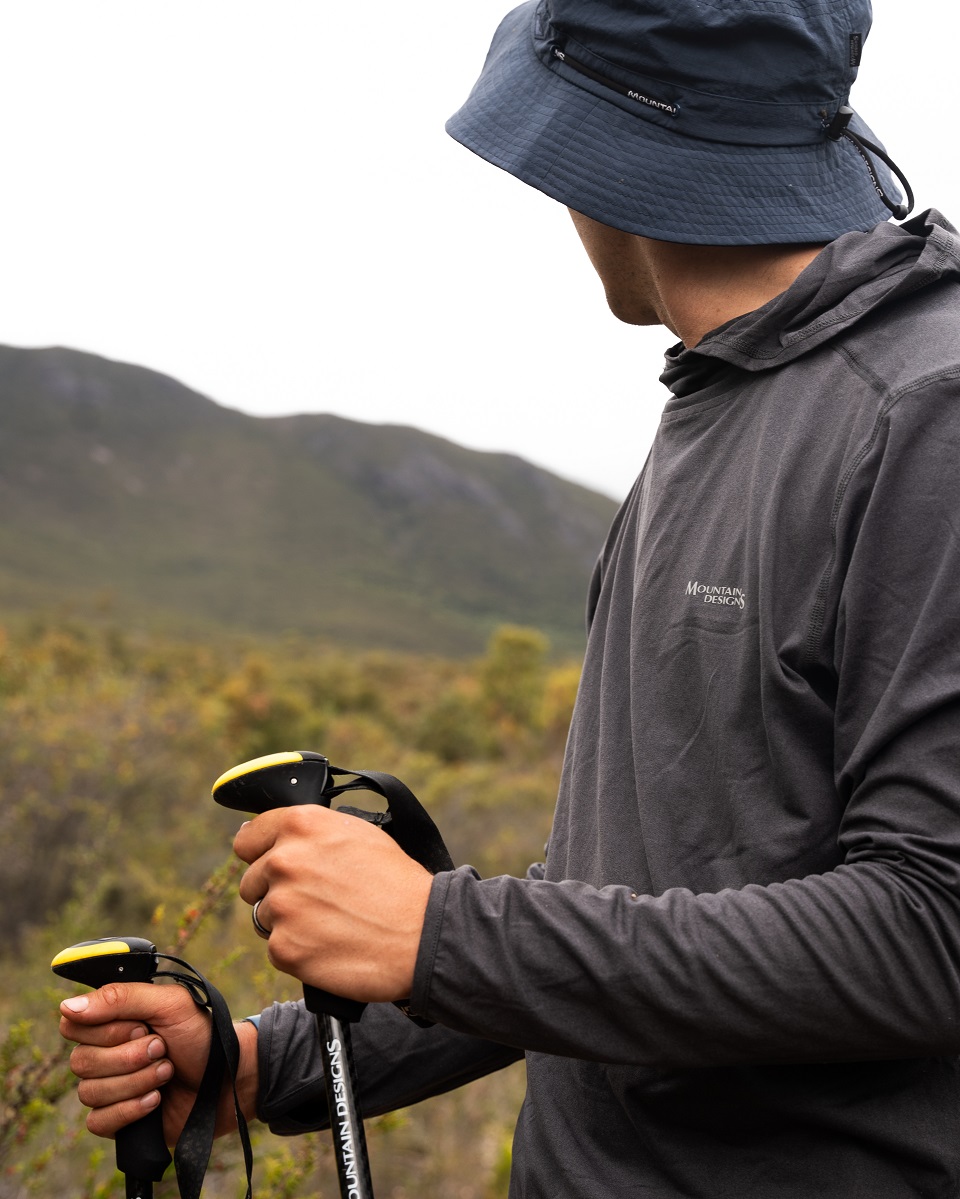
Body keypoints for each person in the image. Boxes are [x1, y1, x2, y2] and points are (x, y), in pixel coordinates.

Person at [60, 0, 960, 1194]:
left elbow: (928, 933)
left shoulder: (922, 412)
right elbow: (643, 901)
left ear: (600, 150)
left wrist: (437, 932)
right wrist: (263, 1062)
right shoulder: (728, 396)